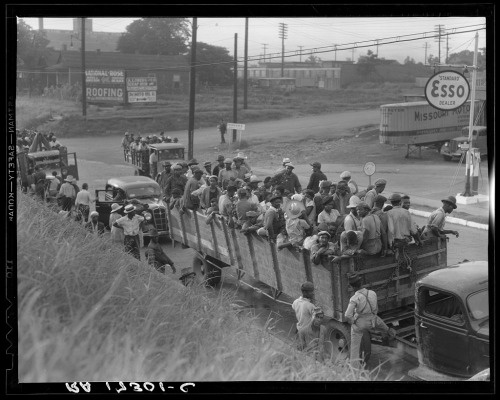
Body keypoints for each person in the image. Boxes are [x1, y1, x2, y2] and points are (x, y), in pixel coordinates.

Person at [345, 273, 395, 368]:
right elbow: (375, 310)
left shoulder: (354, 298)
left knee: (355, 347)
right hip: (374, 320)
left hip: (362, 324)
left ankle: (354, 368)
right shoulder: (372, 293)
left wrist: (353, 321)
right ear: (361, 283)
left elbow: (347, 315)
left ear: (352, 287)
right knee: (383, 326)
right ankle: (388, 332)